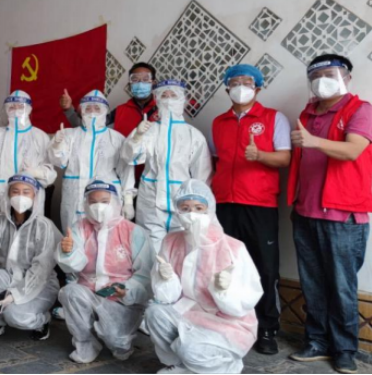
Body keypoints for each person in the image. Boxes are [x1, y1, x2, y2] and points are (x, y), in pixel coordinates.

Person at [287, 54, 372, 375]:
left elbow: (353, 150)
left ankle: (344, 350)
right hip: (305, 211)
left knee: (341, 286)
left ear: (346, 77)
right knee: (312, 284)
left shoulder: (361, 110)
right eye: (316, 76)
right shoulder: (307, 114)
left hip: (343, 216)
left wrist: (313, 141)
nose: (322, 80)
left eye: (330, 74)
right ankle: (316, 342)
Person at [211, 64, 291, 355]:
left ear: (258, 87)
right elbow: (216, 161)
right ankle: (231, 322)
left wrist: (260, 155)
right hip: (224, 204)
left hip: (259, 204)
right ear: (227, 88)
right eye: (234, 82)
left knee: (264, 268)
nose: (240, 87)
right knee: (226, 265)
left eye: (247, 82)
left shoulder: (273, 118)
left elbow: (284, 159)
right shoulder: (218, 122)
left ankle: (267, 328)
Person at [146, 180, 263, 374]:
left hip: (226, 321)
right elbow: (166, 298)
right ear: (178, 211)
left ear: (210, 209)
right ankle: (179, 364)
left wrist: (225, 291)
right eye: (185, 208)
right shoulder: (171, 241)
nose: (192, 213)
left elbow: (247, 298)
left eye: (199, 208)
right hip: (188, 310)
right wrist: (167, 279)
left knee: (191, 349)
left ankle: (224, 366)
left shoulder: (233, 247)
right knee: (154, 312)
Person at [57, 179, 154, 364]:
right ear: (86, 204)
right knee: (70, 292)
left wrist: (127, 291)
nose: (98, 206)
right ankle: (86, 344)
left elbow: (145, 274)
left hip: (120, 298)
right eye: (93, 202)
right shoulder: (80, 228)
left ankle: (121, 341)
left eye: (104, 201)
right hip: (89, 291)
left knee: (118, 344)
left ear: (116, 203)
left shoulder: (134, 232)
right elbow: (72, 266)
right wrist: (68, 251)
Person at [121, 80, 212, 253]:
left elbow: (202, 175)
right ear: (157, 99)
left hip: (183, 201)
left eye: (173, 95)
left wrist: (200, 206)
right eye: (164, 95)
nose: (169, 99)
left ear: (183, 99)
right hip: (150, 200)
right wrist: (137, 136)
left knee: (182, 250)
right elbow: (129, 157)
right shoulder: (148, 130)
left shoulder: (194, 135)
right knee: (150, 250)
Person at [0, 174, 61, 342]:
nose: (20, 196)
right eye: (15, 191)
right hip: (8, 276)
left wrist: (15, 294)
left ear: (35, 196)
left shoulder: (44, 227)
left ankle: (42, 320)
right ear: (8, 195)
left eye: (26, 192)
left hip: (40, 284)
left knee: (16, 316)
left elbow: (41, 269)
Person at [0, 90, 56, 219]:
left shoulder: (39, 137)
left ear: (29, 109)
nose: (16, 110)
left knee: (28, 228)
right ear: (6, 110)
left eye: (20, 107)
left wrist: (36, 173)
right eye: (12, 107)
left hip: (28, 196)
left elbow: (49, 171)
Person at [48, 90, 133, 230]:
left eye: (97, 108)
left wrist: (128, 201)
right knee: (73, 236)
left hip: (106, 196)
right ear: (81, 111)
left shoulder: (116, 138)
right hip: (74, 195)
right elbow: (59, 161)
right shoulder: (69, 135)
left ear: (105, 111)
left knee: (106, 236)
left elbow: (126, 170)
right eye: (88, 108)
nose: (92, 112)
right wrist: (57, 145)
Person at [60, 63, 160, 136]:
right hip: (125, 159)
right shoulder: (119, 111)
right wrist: (68, 109)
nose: (140, 84)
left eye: (145, 80)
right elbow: (89, 127)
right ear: (130, 84)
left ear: (154, 83)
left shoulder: (163, 109)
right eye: (135, 80)